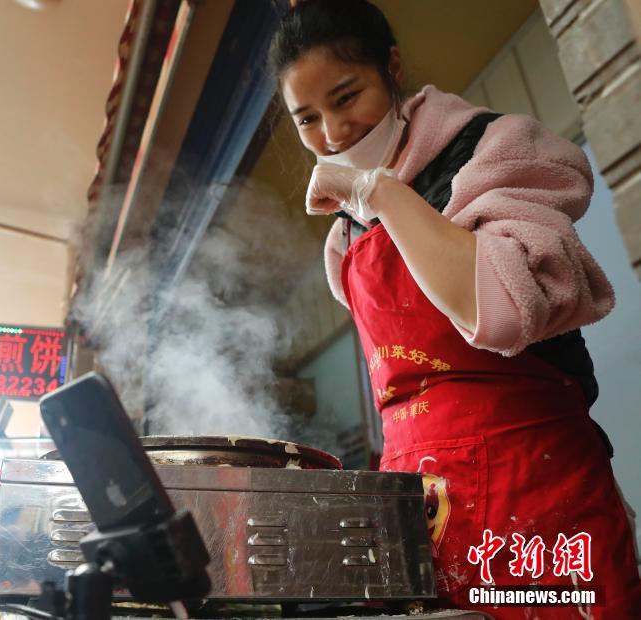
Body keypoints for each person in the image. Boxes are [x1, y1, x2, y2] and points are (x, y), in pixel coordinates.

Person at [268, 1, 641, 617]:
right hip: (421, 519)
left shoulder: (496, 149)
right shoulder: (342, 240)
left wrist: (382, 192)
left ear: (392, 67)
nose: (332, 135)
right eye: (307, 118)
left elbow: (499, 311)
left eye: (346, 96)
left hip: (539, 501)